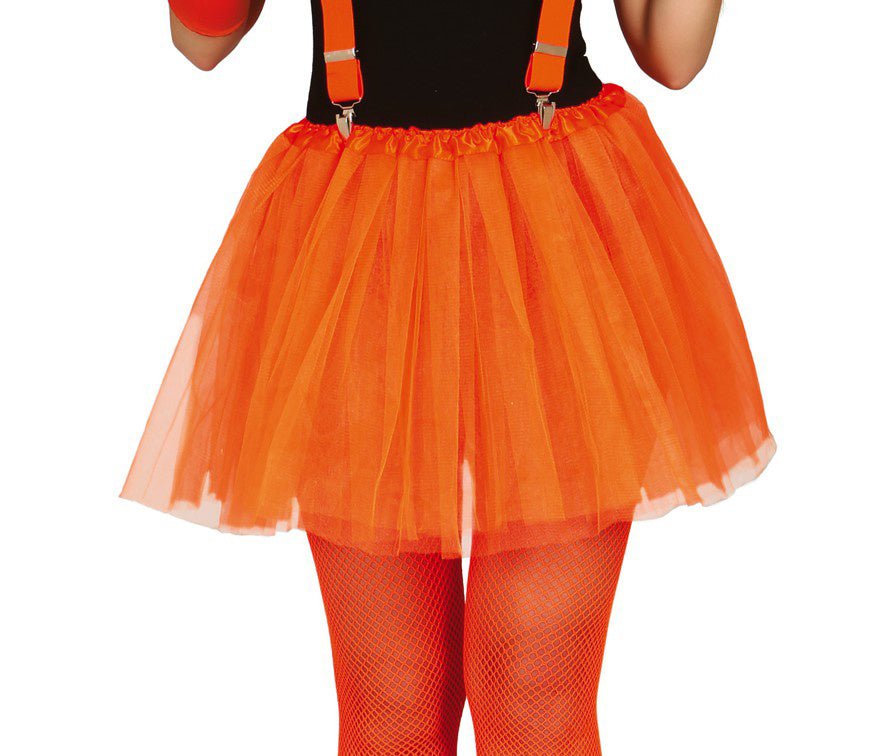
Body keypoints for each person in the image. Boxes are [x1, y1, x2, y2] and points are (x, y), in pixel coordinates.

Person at [120, 1, 776, 753]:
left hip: (548, 236)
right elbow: (201, 43)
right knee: (393, 707)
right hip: (363, 243)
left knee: (532, 697)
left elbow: (672, 55)